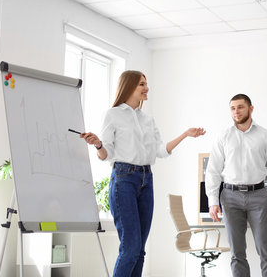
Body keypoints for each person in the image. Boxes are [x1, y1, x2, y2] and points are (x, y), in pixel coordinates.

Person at [80, 70, 205, 277]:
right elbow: (106, 154)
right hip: (123, 180)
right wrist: (98, 144)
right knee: (130, 249)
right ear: (128, 86)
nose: (146, 88)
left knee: (139, 251)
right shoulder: (112, 114)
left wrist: (185, 135)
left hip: (146, 180)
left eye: (146, 84)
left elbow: (160, 151)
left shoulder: (148, 119)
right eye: (141, 84)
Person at [206, 94, 267, 277]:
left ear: (251, 108)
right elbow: (213, 171)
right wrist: (213, 201)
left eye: (240, 107)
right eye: (232, 108)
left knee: (266, 250)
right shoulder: (223, 136)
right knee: (237, 253)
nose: (236, 111)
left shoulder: (266, 136)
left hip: (258, 196)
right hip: (230, 197)